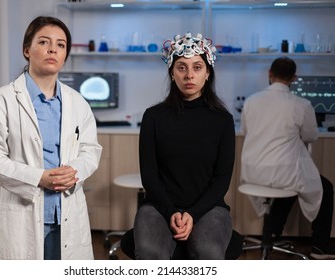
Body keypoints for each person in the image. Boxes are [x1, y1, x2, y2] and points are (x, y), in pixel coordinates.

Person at [0, 16, 102, 260]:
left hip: (67, 210)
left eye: (61, 45)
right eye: (44, 42)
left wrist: (73, 171)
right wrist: (38, 177)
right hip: (25, 210)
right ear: (26, 50)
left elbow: (91, 149)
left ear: (65, 54)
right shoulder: (3, 100)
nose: (53, 49)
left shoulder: (77, 102)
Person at [133, 32, 236, 260]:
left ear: (208, 73)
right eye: (181, 67)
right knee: (150, 253)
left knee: (207, 251)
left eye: (197, 67)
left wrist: (192, 213)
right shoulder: (153, 117)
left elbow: (222, 180)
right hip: (159, 207)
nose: (189, 75)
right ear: (172, 73)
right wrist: (171, 211)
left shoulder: (222, 120)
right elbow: (149, 176)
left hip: (209, 208)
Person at [240, 57, 334, 259]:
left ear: (269, 74)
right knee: (322, 187)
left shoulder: (251, 101)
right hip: (282, 173)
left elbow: (246, 131)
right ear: (294, 78)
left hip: (252, 173)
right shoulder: (301, 104)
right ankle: (320, 248)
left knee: (289, 182)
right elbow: (311, 136)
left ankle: (272, 232)